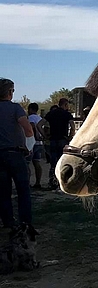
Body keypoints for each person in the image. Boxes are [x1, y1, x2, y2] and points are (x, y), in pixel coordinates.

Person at [0, 78, 34, 228]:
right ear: (9, 92)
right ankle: (25, 222)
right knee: (23, 190)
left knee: (3, 191)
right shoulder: (15, 108)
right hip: (15, 153)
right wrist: (28, 146)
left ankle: (8, 222)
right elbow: (27, 129)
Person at [45, 97, 74, 189]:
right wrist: (70, 137)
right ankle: (62, 181)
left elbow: (39, 125)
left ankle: (52, 182)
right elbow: (72, 126)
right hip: (63, 139)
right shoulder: (67, 114)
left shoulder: (51, 113)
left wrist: (45, 136)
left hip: (53, 139)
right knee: (62, 161)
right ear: (65, 105)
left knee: (53, 162)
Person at [27, 103, 47, 189]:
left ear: (30, 109)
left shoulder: (30, 118)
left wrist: (35, 136)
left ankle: (27, 182)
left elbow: (32, 126)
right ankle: (38, 182)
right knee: (37, 163)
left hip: (31, 143)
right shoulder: (40, 118)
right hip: (39, 144)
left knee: (26, 164)